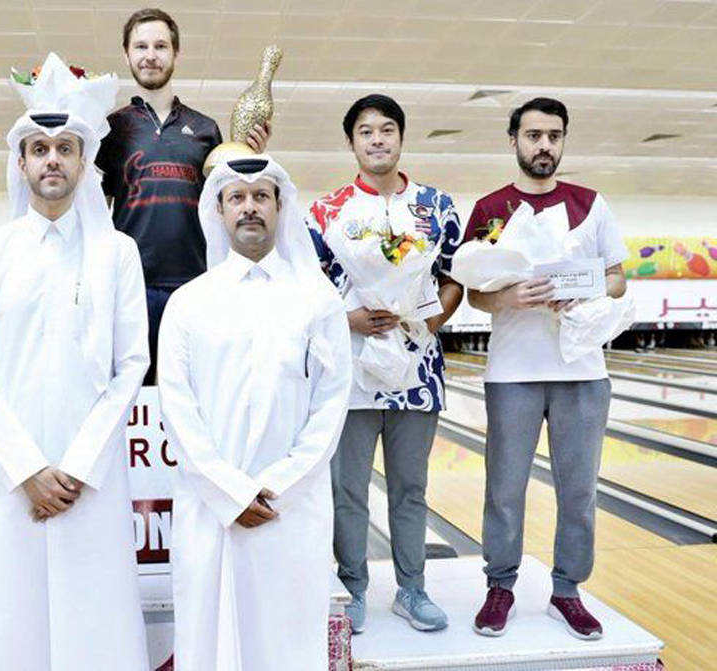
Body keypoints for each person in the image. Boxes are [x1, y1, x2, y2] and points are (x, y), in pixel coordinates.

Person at [0, 53, 149, 670]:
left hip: (91, 472)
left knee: (94, 613)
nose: (53, 159)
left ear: (84, 163)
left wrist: (78, 466)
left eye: (65, 148)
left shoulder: (117, 253)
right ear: (22, 163)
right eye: (40, 149)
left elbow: (131, 365)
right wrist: (27, 468)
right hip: (9, 473)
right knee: (14, 616)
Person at [158, 156, 351, 670]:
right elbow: (177, 408)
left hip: (290, 507)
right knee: (210, 642)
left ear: (279, 207)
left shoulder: (317, 299)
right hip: (209, 507)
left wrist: (278, 485)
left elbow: (331, 404)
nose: (249, 207)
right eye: (237, 198)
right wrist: (229, 491)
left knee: (287, 644)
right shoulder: (189, 302)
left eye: (261, 196)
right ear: (219, 210)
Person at [465, 97, 628, 640]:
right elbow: (475, 293)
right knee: (504, 488)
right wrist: (507, 297)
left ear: (562, 142)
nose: (544, 146)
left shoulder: (590, 204)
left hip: (582, 370)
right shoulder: (490, 209)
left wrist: (583, 290)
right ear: (513, 140)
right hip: (512, 372)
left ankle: (567, 591)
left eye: (554, 136)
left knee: (578, 491)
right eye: (534, 135)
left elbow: (617, 278)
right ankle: (500, 586)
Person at [306, 95, 465, 633]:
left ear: (401, 137)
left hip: (417, 372)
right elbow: (308, 289)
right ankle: (352, 588)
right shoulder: (324, 211)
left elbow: (454, 277)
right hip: (349, 374)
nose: (377, 139)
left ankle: (412, 590)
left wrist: (428, 323)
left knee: (410, 489)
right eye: (366, 131)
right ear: (351, 142)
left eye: (387, 129)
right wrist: (346, 319)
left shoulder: (437, 205)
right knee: (347, 491)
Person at [96, 7, 270, 382]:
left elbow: (229, 206)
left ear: (176, 53)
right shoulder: (108, 129)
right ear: (126, 54)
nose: (150, 55)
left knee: (194, 390)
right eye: (141, 46)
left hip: (196, 284)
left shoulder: (206, 129)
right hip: (131, 287)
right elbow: (97, 211)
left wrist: (251, 158)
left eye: (160, 46)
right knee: (132, 392)